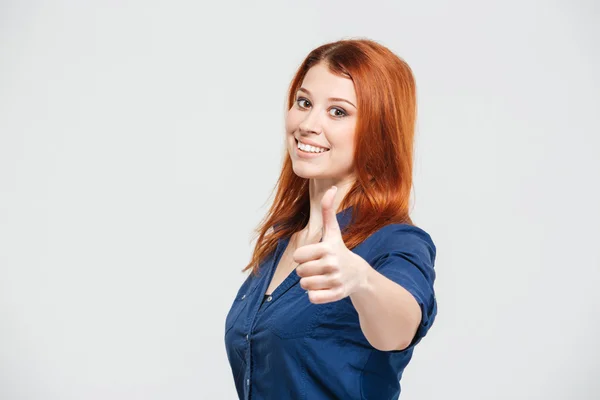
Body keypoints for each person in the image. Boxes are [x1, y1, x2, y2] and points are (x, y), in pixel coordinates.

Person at [224, 38, 437, 400]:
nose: (308, 123)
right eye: (304, 102)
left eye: (338, 112)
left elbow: (400, 326)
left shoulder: (396, 241)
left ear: (379, 130)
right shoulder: (281, 240)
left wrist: (361, 280)